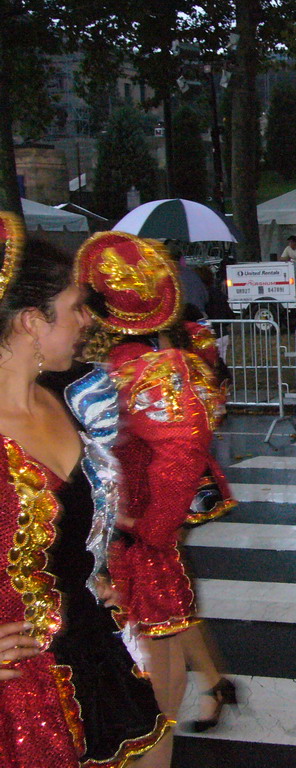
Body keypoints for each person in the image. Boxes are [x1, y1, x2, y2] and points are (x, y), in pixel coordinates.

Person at [0, 216, 168, 767]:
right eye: (74, 307)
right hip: (23, 687)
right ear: (30, 322)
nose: (87, 320)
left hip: (93, 644)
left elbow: (76, 523)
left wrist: (93, 575)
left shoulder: (67, 396)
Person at [78, 232, 239, 760]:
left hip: (134, 527)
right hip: (119, 530)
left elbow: (185, 444)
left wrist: (149, 527)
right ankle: (214, 683)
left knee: (158, 636)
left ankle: (205, 692)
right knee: (161, 624)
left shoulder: (151, 356)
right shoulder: (134, 355)